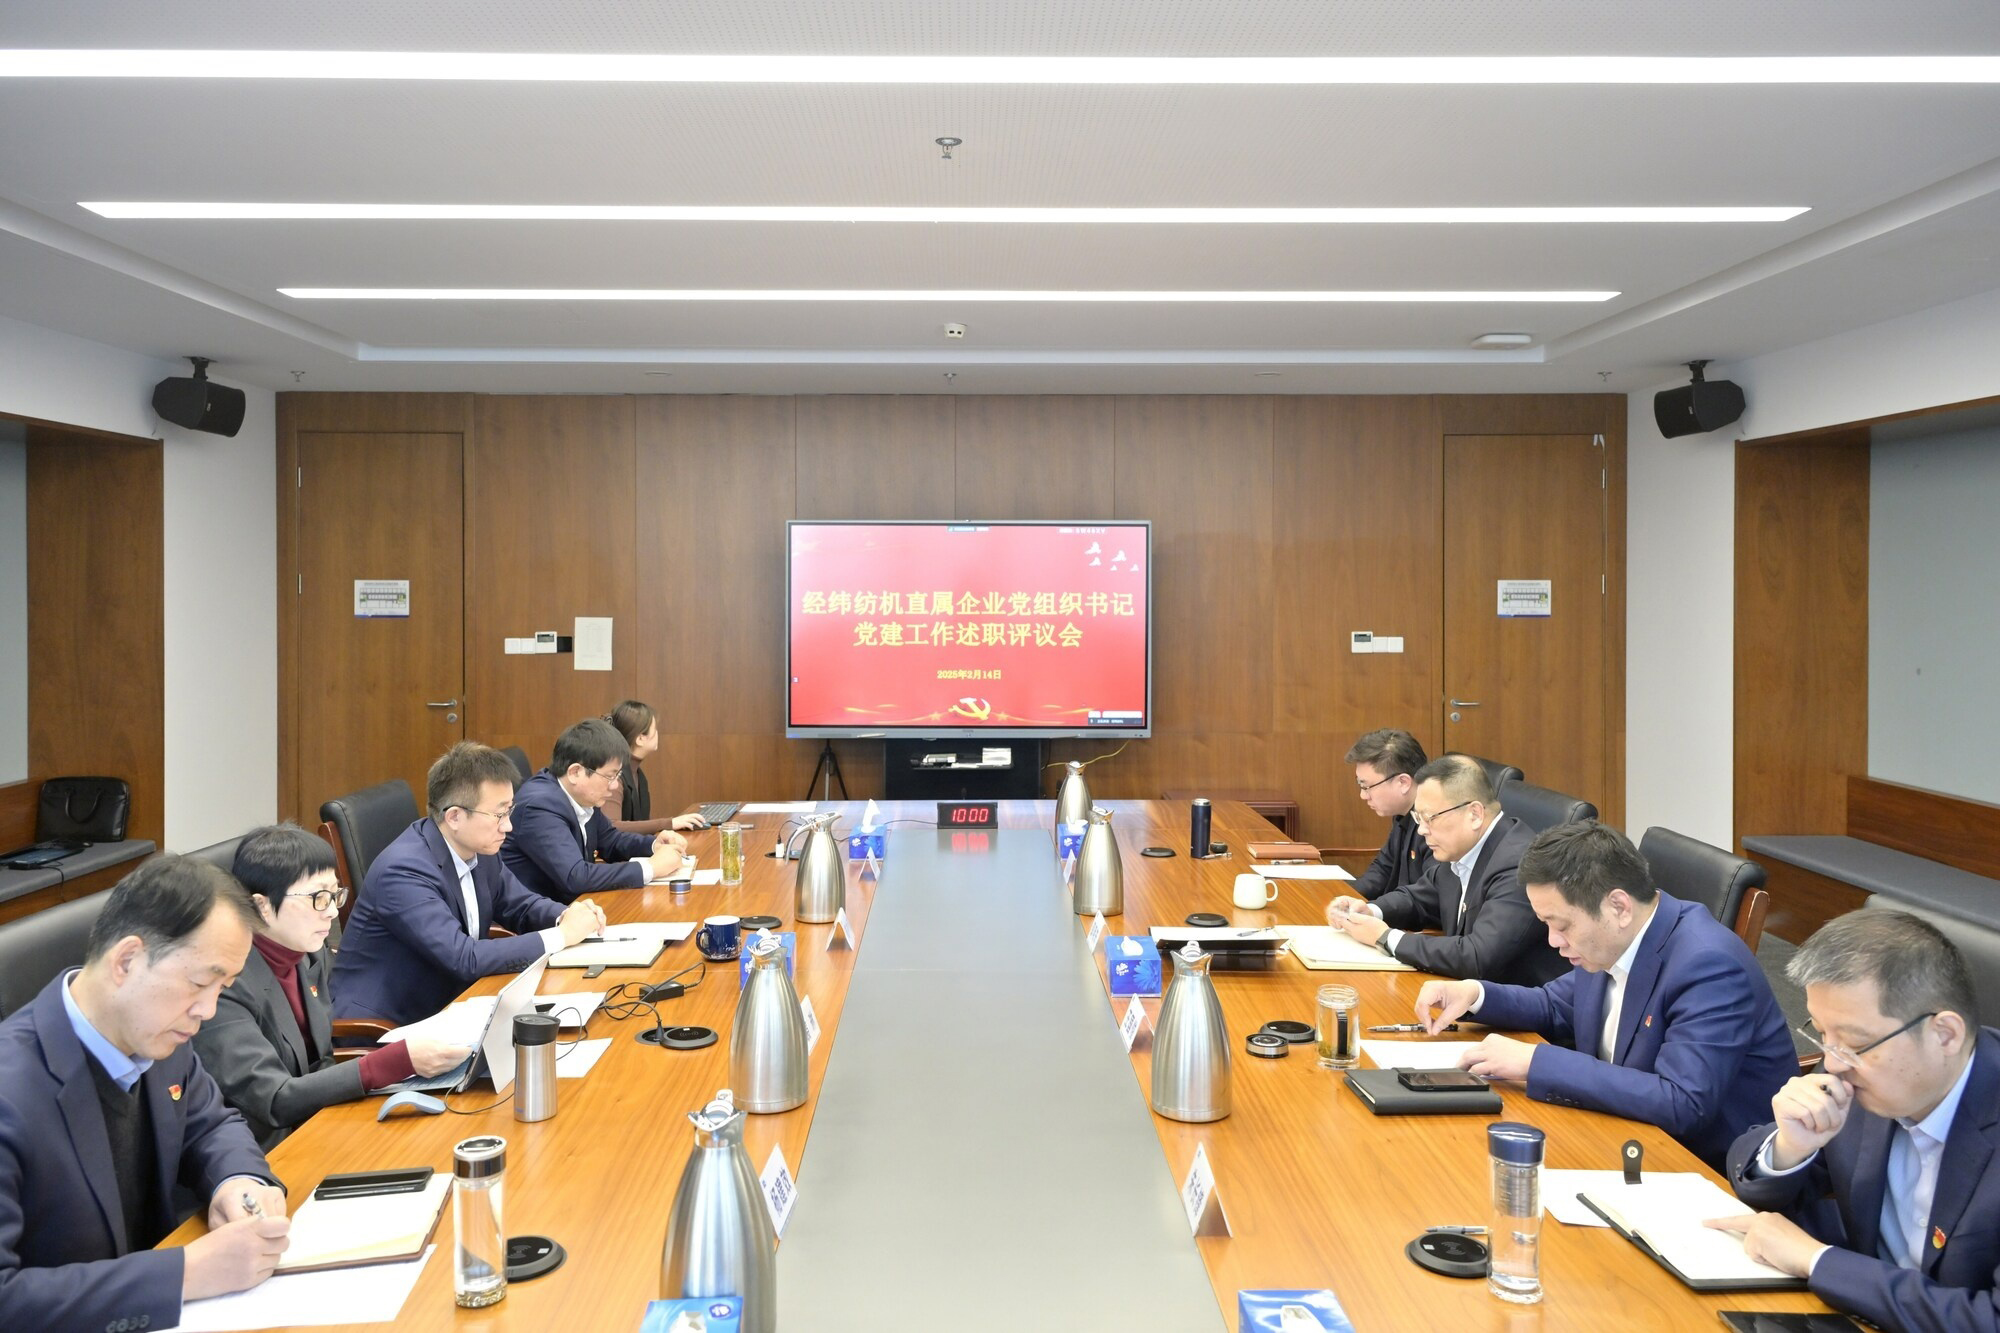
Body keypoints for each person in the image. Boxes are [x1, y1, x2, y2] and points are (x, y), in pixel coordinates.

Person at [0, 856, 291, 1329]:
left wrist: (238, 1181)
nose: (208, 1010)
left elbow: (210, 1124)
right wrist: (185, 1274)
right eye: (200, 982)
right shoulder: (10, 1092)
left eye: (223, 987)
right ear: (127, 960)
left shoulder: (158, 1034)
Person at [1413, 820, 1795, 1169]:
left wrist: (1536, 1062)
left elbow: (1683, 1102)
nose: (1553, 941)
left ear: (1619, 906)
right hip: (1622, 1137)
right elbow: (1555, 1005)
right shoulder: (1612, 938)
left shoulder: (1708, 964)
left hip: (1704, 1169)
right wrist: (1474, 994)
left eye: (1561, 925)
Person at [1709, 909, 2000, 1331]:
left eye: (1855, 1043)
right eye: (1821, 1033)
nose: (1832, 1063)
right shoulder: (1862, 1075)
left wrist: (1817, 1260)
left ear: (1945, 1034)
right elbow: (1759, 1180)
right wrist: (1790, 1148)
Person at [191, 824, 472, 1148]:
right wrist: (392, 1063)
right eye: (317, 898)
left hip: (318, 1122)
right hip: (263, 1148)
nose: (332, 912)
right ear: (261, 906)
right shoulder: (224, 984)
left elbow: (319, 1060)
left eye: (335, 895)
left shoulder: (308, 953)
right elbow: (273, 1099)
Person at [333, 741, 606, 1027]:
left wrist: (566, 915)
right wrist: (562, 936)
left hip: (455, 1003)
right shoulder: (403, 871)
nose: (508, 826)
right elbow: (464, 958)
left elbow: (520, 905)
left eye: (509, 811)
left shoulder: (479, 848)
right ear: (454, 816)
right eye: (499, 815)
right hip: (388, 1026)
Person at [1324, 753, 1564, 986]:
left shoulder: (1519, 866)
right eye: (1418, 818)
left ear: (1474, 814)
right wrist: (1371, 910)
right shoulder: (1462, 848)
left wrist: (1386, 938)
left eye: (1430, 818)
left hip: (1518, 1006)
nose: (1422, 830)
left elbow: (1477, 956)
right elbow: (1418, 898)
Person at [502, 718, 688, 904]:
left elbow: (611, 840)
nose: (614, 785)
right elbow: (575, 877)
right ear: (575, 772)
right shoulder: (539, 806)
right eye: (609, 776)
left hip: (578, 906)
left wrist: (654, 845)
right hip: (543, 914)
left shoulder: (580, 795)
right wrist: (650, 868)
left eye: (617, 776)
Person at [1344, 728, 1435, 900]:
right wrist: (1343, 894)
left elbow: (1427, 895)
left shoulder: (1434, 822)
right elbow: (1383, 868)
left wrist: (1374, 910)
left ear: (1403, 782)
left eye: (1367, 787)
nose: (1363, 796)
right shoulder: (1403, 813)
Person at [603, 700, 709, 837]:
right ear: (640, 739)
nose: (658, 733)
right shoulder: (614, 776)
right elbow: (612, 826)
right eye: (655, 729)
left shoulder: (638, 774)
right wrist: (669, 823)